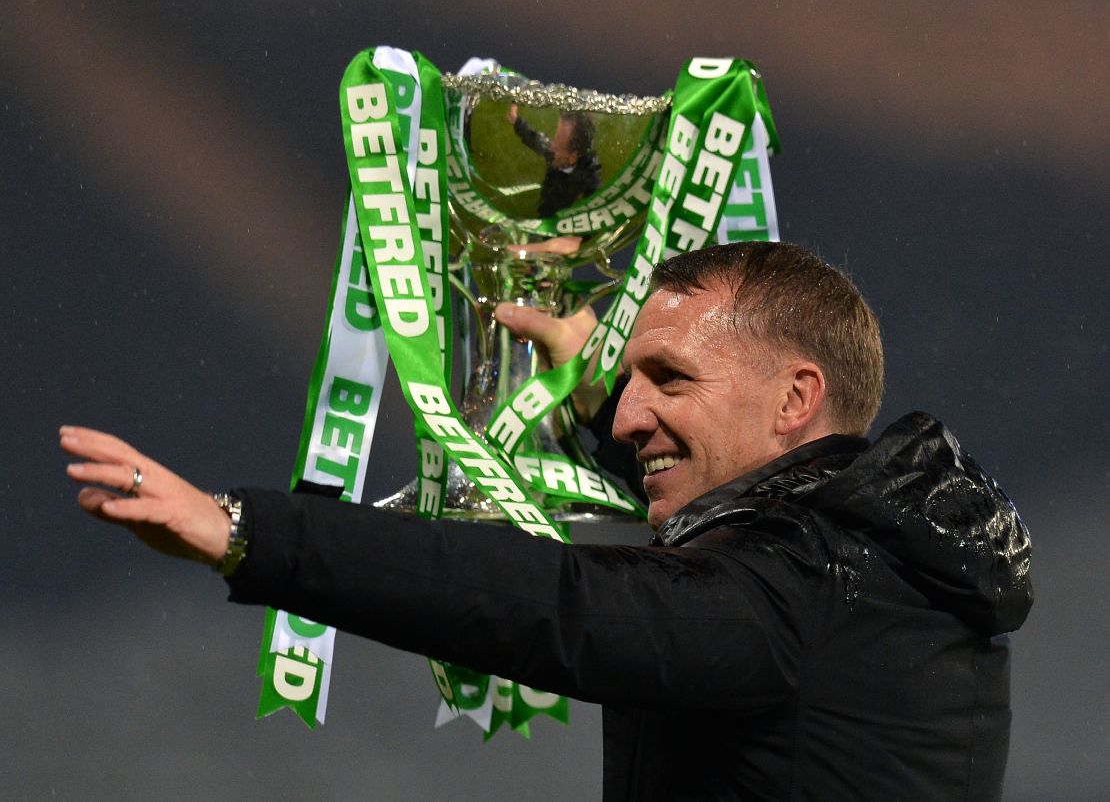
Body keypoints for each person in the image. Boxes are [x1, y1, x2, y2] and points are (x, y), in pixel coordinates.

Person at [61, 241, 1032, 800]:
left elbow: (559, 605)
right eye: (632, 381)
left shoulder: (804, 591)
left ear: (795, 400)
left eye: (672, 378)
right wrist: (600, 403)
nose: (633, 412)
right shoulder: (862, 558)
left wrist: (251, 534)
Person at [508, 103, 602, 217]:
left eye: (557, 146)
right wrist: (517, 122)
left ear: (572, 158)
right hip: (549, 202)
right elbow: (537, 140)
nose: (551, 147)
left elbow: (597, 216)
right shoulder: (556, 154)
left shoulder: (589, 180)